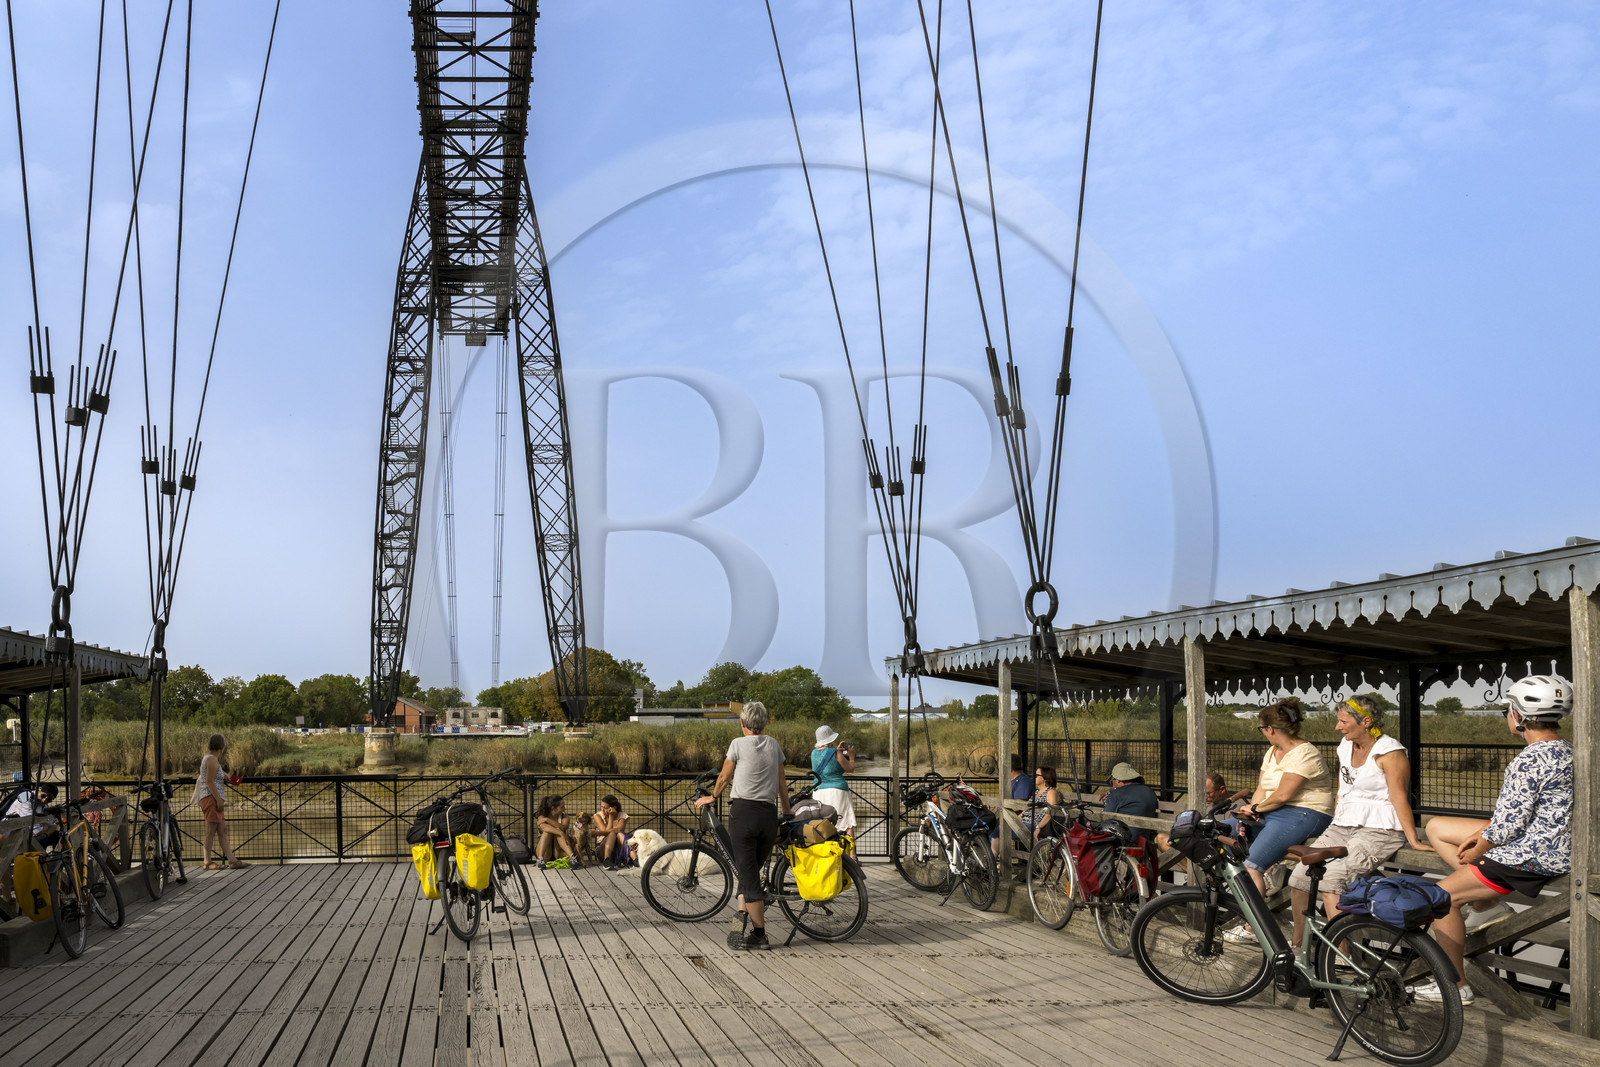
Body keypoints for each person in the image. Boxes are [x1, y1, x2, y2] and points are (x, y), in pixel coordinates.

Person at [1415, 675, 1574, 1006]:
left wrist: (1481, 845)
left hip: (1531, 854)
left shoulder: (1528, 759)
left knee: (1440, 899)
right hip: (1559, 847)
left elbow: (1508, 827)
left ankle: (1453, 986)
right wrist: (1483, 837)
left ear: (1518, 715)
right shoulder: (1569, 751)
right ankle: (1484, 903)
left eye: (1507, 709)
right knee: (1441, 828)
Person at [1288, 695, 1431, 947]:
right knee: (1299, 878)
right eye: (1338, 721)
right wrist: (1335, 820)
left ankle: (1340, 958)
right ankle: (1299, 948)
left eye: (1343, 721)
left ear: (1366, 721)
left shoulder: (1390, 752)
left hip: (1380, 829)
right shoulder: (1345, 746)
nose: (1338, 727)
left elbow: (1399, 797)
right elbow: (1344, 788)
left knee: (1332, 879)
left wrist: (1413, 839)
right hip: (1343, 825)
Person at [694, 701, 792, 951]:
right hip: (768, 816)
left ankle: (760, 935)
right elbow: (782, 782)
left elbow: (725, 776)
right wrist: (787, 809)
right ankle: (741, 912)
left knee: (749, 876)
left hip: (744, 815)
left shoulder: (738, 744)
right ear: (765, 722)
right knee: (747, 870)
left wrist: (713, 797)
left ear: (742, 722)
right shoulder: (774, 744)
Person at [1233, 698, 1334, 896]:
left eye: (1260, 728)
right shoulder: (1272, 752)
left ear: (1270, 729)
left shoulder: (1305, 753)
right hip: (1273, 811)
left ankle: (1252, 926)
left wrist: (1255, 809)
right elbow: (1262, 787)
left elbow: (1283, 795)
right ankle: (1273, 869)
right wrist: (1251, 810)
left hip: (1305, 813)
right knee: (1215, 833)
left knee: (1251, 867)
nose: (1262, 733)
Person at [193, 734, 245, 870]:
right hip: (211, 798)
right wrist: (218, 800)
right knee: (210, 831)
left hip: (213, 798)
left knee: (222, 830)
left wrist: (226, 776)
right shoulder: (211, 760)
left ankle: (232, 860)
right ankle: (207, 862)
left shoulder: (212, 760)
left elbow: (214, 776)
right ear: (221, 746)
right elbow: (209, 781)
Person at [809, 725, 856, 837]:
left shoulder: (813, 753)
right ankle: (851, 854)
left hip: (819, 791)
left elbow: (827, 761)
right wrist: (852, 757)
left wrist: (837, 750)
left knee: (822, 824)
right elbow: (850, 768)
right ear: (831, 739)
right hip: (837, 791)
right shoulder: (835, 753)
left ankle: (827, 852)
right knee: (846, 823)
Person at [991, 754, 1035, 856]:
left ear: (1009, 767)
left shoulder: (1024, 781)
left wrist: (999, 813)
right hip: (1003, 818)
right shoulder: (1009, 782)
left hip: (1016, 821)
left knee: (994, 831)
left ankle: (991, 860)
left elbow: (1017, 805)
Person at [535, 795, 582, 867]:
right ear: (553, 808)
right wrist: (560, 832)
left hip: (559, 852)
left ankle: (572, 859)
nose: (564, 809)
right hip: (545, 853)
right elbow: (544, 827)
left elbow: (563, 827)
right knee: (547, 832)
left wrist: (547, 820)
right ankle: (540, 860)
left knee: (558, 830)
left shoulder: (565, 817)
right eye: (562, 807)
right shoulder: (542, 816)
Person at [593, 795, 632, 869]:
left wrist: (611, 816)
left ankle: (632, 859)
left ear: (614, 808)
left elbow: (620, 829)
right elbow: (605, 832)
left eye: (605, 808)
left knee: (618, 834)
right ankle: (606, 860)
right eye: (602, 807)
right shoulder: (597, 816)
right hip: (603, 848)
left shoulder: (622, 815)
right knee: (612, 834)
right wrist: (611, 817)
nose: (602, 810)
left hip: (618, 848)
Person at [1029, 766, 1064, 839]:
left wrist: (1038, 827)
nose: (1033, 777)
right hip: (1025, 822)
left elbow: (1051, 812)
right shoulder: (1036, 792)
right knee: (1001, 828)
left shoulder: (1051, 792)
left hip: (1034, 824)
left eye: (1037, 775)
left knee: (1002, 830)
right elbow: (1026, 810)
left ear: (1045, 778)